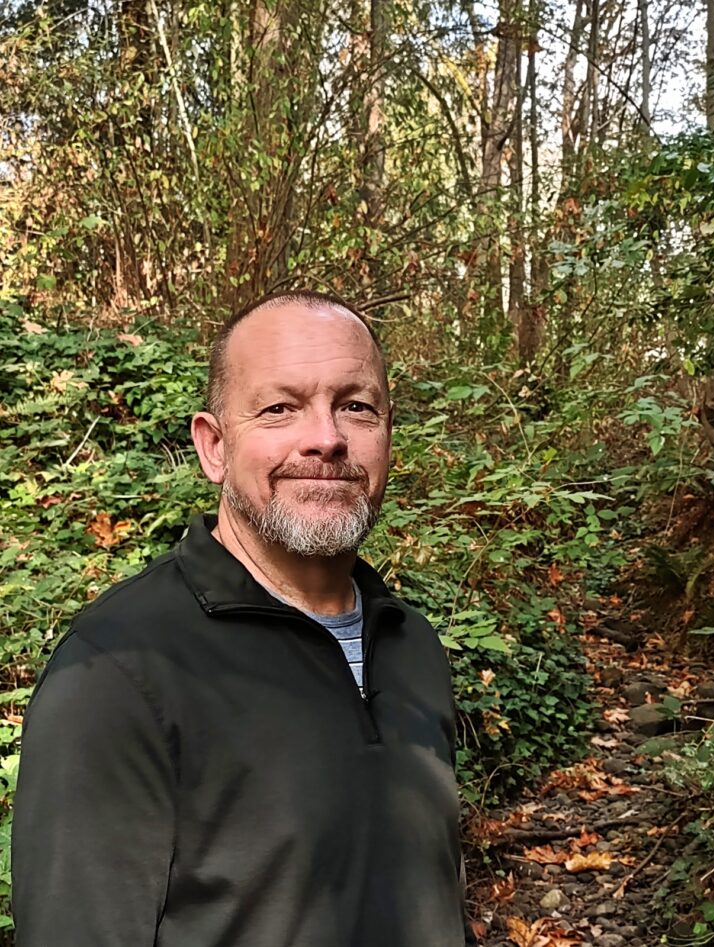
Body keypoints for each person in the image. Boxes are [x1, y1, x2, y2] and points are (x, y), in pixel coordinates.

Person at [12, 291, 475, 947]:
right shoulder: (118, 674)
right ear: (214, 445)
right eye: (280, 407)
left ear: (388, 432)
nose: (327, 438)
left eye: (356, 406)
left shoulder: (411, 644)